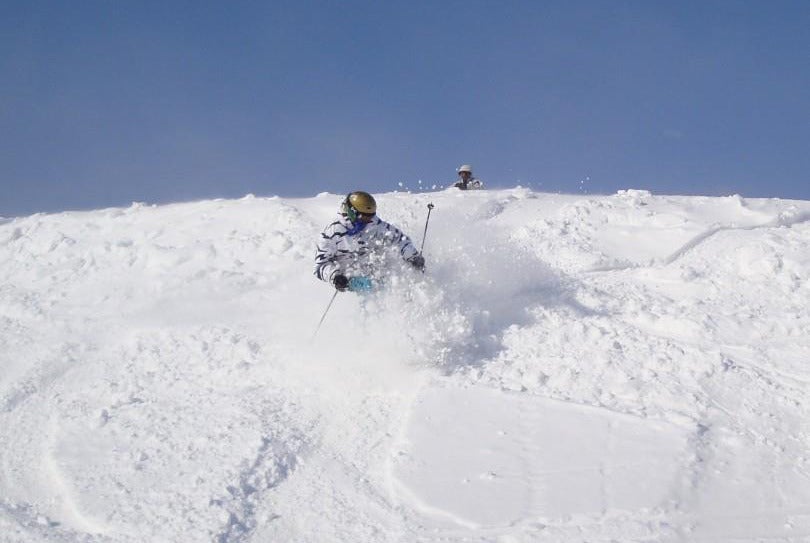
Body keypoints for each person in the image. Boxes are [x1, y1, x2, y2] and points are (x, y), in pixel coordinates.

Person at [314, 191, 425, 292]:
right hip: (351, 279)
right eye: (364, 217)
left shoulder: (375, 225)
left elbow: (399, 239)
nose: (368, 220)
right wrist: (335, 277)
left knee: (396, 284)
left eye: (371, 216)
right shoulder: (333, 233)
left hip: (378, 272)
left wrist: (412, 257)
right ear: (352, 212)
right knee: (371, 289)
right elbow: (320, 266)